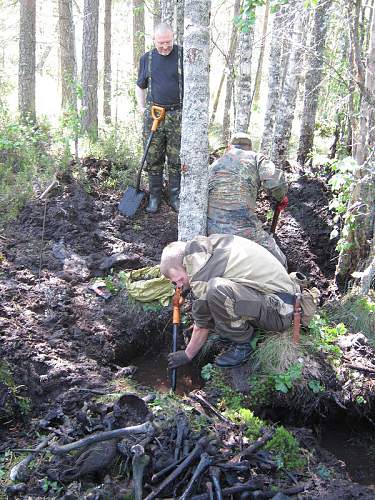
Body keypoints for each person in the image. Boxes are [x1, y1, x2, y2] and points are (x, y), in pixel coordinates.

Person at [160, 234, 300, 369]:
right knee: (217, 292)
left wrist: (187, 354)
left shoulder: (200, 274)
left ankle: (244, 344)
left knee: (217, 289)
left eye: (178, 281)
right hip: (283, 298)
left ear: (181, 270)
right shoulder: (210, 246)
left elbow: (202, 325)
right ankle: (235, 329)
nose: (178, 286)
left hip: (280, 313)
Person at [207, 132, 288, 267]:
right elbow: (276, 183)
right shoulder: (256, 158)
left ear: (229, 147)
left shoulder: (215, 164)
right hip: (243, 229)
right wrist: (281, 197)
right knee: (279, 263)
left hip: (212, 231)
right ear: (249, 147)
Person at [136, 23, 183, 213]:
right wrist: (141, 108)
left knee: (176, 158)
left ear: (174, 37)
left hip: (177, 115)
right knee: (153, 157)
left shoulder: (183, 56)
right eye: (161, 43)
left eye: (168, 42)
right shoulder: (147, 59)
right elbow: (140, 85)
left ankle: (174, 196)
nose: (165, 46)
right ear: (154, 40)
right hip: (154, 113)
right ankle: (154, 197)